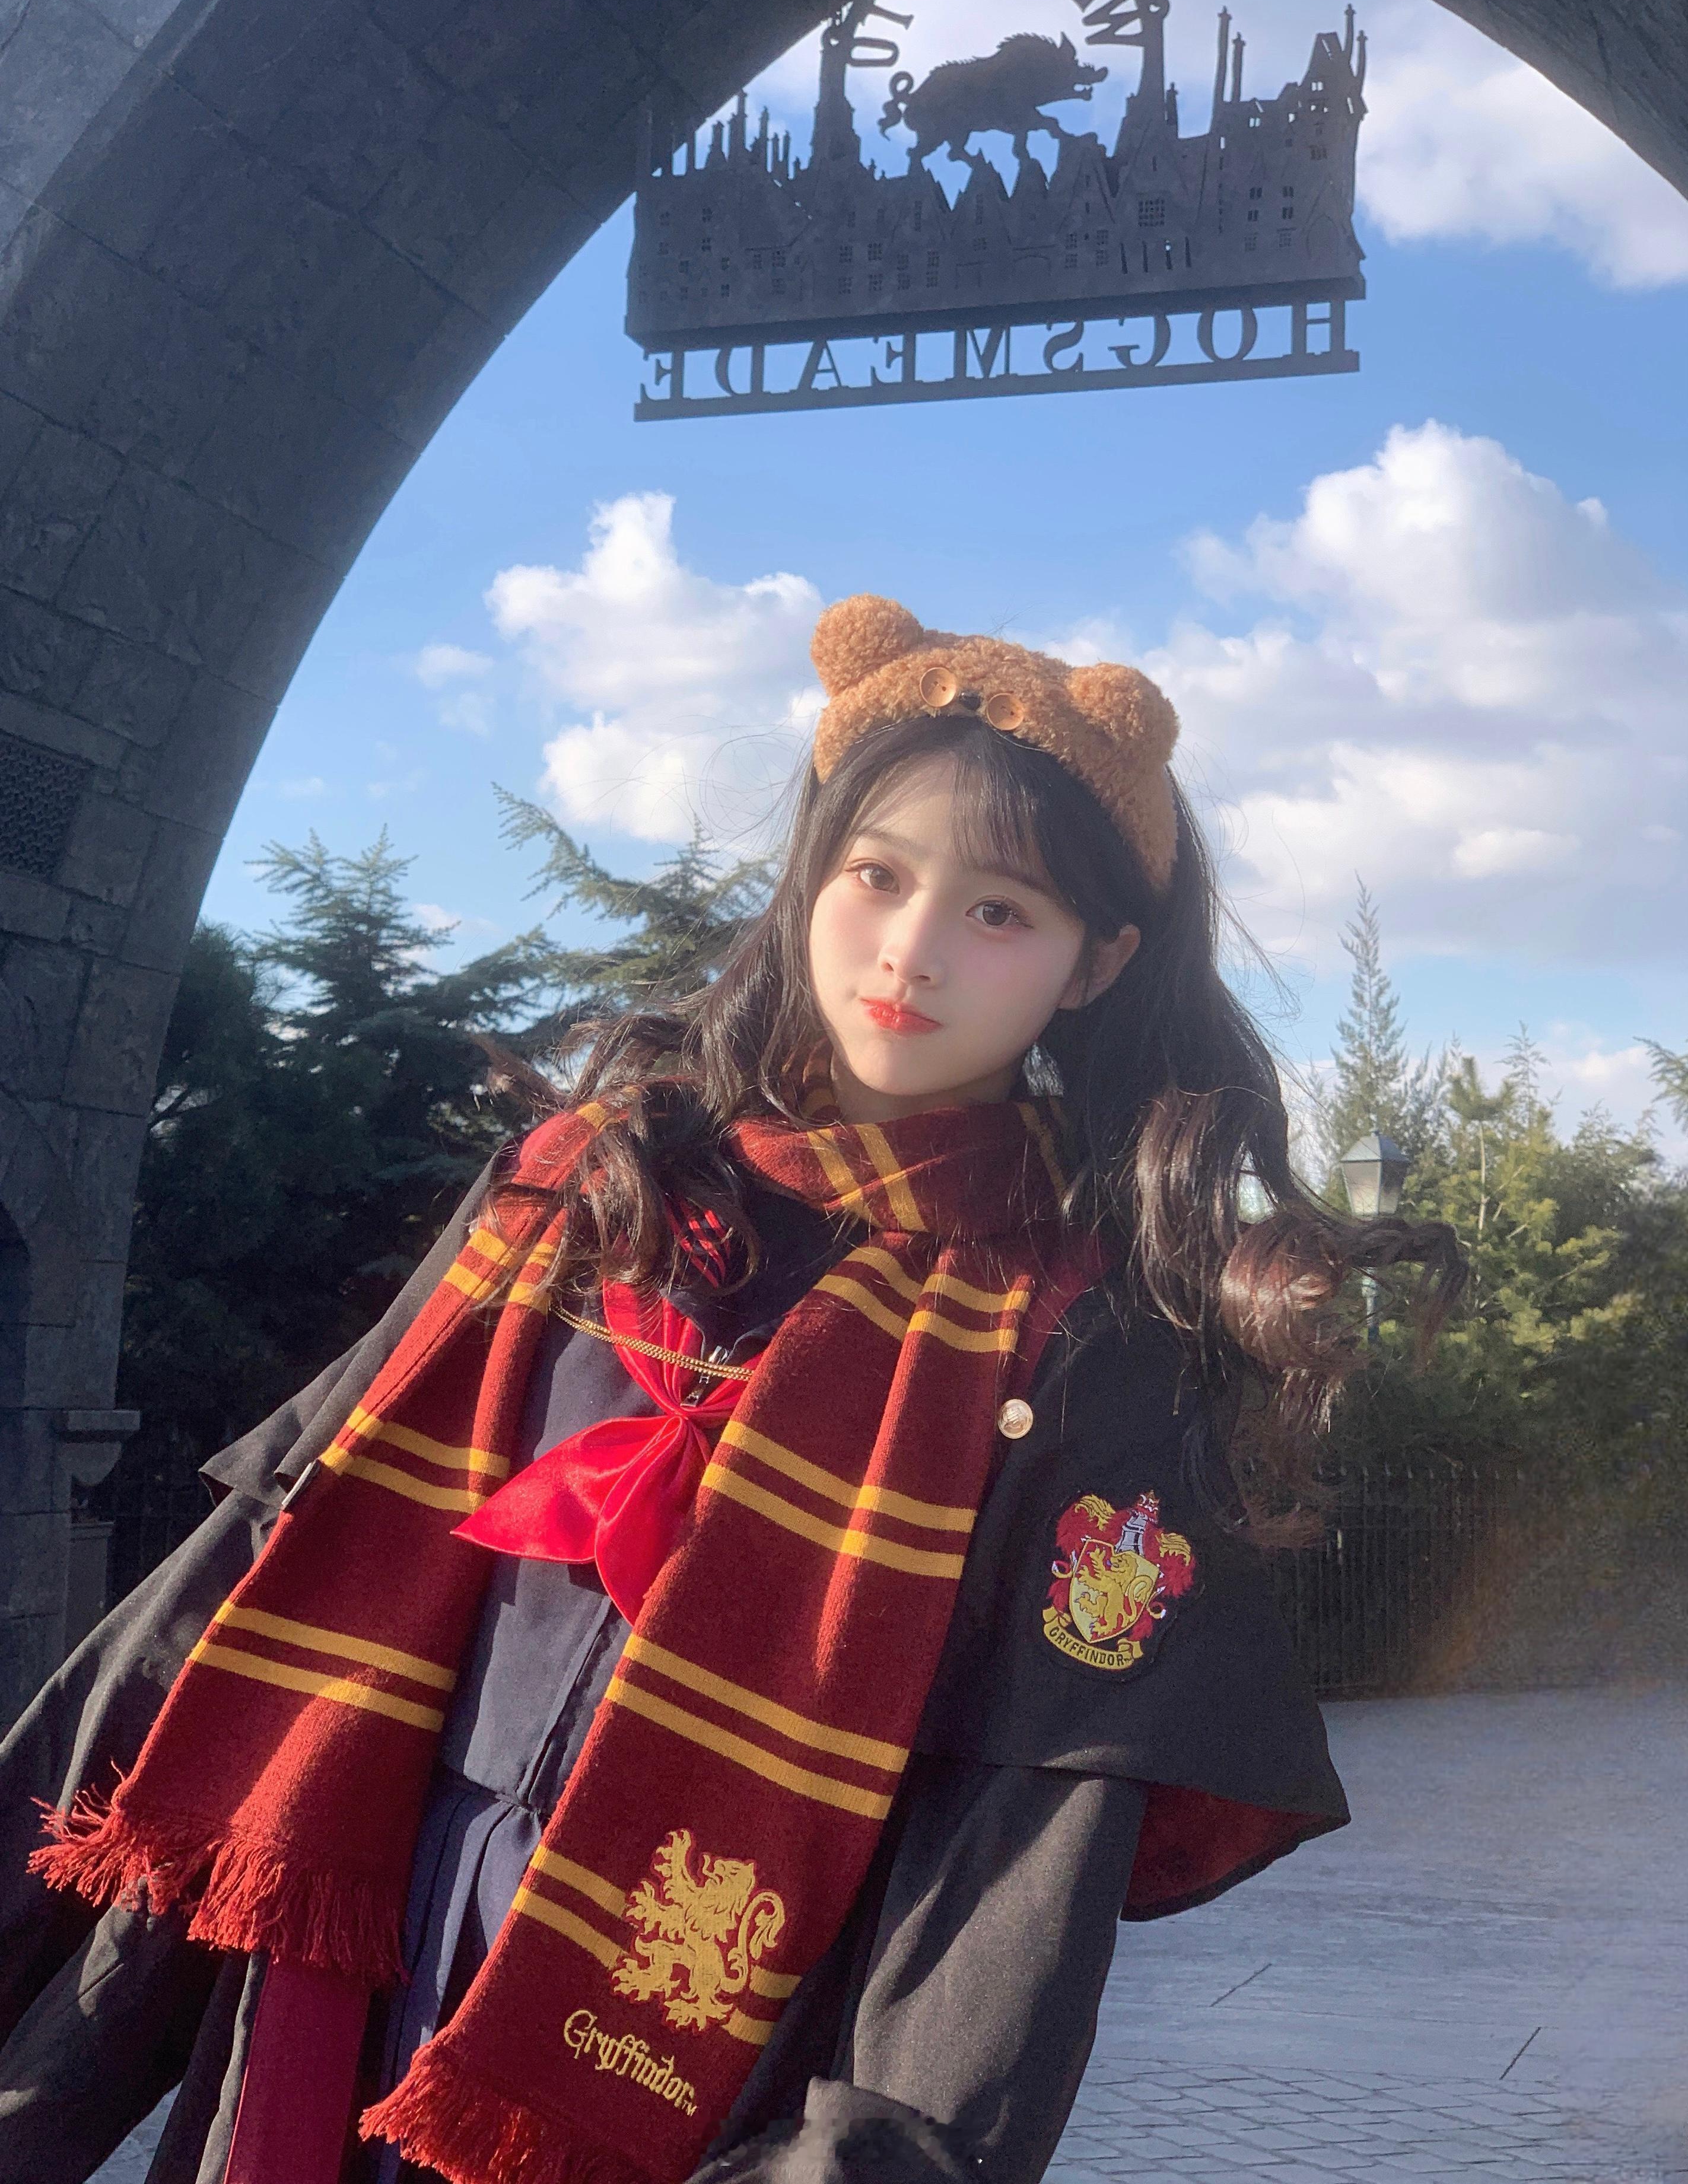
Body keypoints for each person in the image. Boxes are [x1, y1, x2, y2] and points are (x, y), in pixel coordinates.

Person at [0, 596, 1463, 2184]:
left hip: (716, 2052)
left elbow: (1013, 1855)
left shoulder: (1074, 1338)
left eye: (999, 911)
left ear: (1097, 962)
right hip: (366, 1957)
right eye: (878, 875)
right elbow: (257, 1576)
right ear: (811, 874)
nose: (911, 950)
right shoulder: (586, 1190)